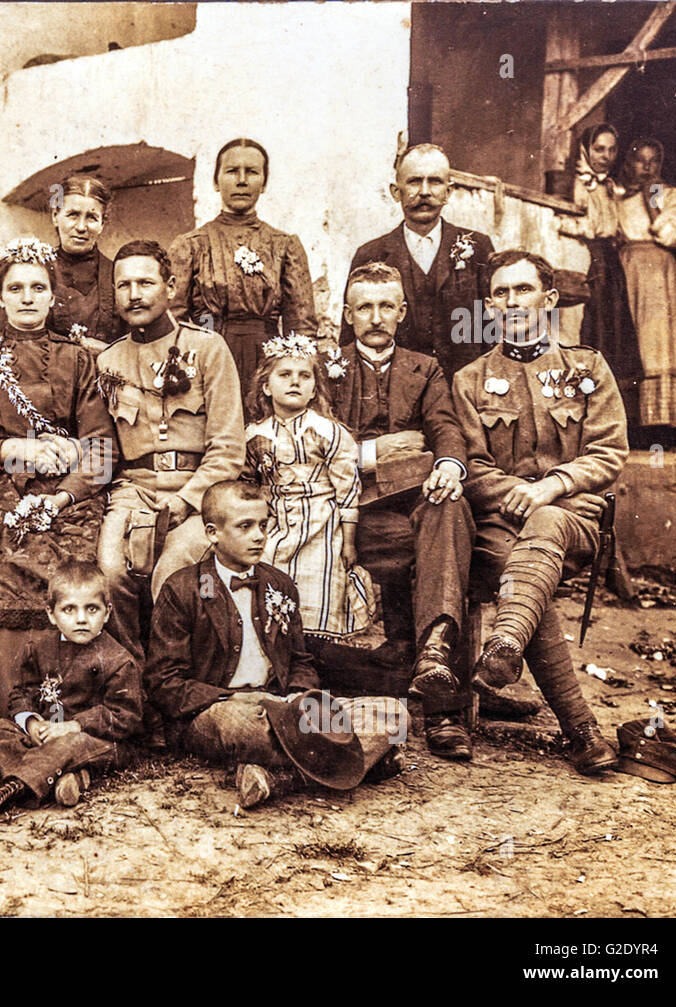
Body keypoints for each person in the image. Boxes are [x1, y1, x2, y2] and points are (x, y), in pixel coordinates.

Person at [452, 250, 627, 776]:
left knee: (546, 524)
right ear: (490, 306)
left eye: (523, 290)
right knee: (523, 575)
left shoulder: (587, 368)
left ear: (548, 299)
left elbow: (610, 452)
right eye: (501, 293)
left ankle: (505, 646)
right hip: (502, 524)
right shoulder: (471, 380)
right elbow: (473, 466)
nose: (513, 302)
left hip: (573, 519)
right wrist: (513, 492)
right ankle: (582, 731)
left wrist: (552, 486)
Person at [0, 237, 120, 722]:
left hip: (67, 494)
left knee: (71, 566)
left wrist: (64, 497)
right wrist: (7, 449)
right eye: (15, 288)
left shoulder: (78, 360)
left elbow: (102, 450)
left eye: (37, 287)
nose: (26, 297)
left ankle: (75, 705)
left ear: (51, 296)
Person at [146, 481, 408, 808]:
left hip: (281, 706)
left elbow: (300, 660)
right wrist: (233, 698)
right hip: (219, 711)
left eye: (263, 525)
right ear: (213, 533)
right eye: (245, 526)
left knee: (394, 715)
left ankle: (278, 778)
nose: (259, 536)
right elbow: (164, 683)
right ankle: (351, 761)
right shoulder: (182, 589)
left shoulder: (280, 585)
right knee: (240, 727)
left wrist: (299, 692)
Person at [323, 261, 494, 759]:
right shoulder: (322, 368)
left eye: (385, 307)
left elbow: (445, 427)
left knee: (448, 508)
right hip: (345, 514)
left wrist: (447, 465)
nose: (375, 317)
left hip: (410, 509)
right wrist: (376, 453)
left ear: (401, 312)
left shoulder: (426, 368)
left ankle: (438, 674)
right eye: (364, 308)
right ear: (349, 315)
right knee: (442, 545)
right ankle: (433, 679)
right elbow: (311, 441)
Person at [96, 239, 245, 658]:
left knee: (172, 569)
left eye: (146, 282)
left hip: (201, 492)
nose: (135, 294)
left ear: (171, 287)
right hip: (134, 491)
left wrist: (187, 499)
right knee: (109, 571)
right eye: (123, 285)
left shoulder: (209, 349)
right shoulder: (108, 362)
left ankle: (172, 678)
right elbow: (106, 447)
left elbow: (229, 449)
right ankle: (132, 674)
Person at [0, 561, 143, 826]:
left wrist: (74, 726)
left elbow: (125, 716)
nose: (81, 619)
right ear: (51, 613)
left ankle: (2, 795)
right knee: (0, 730)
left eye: (91, 609)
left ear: (107, 613)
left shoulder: (118, 659)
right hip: (49, 736)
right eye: (69, 609)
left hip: (97, 742)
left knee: (73, 744)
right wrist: (32, 722)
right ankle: (69, 778)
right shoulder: (39, 648)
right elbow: (22, 692)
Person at [242, 334, 375, 641]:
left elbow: (347, 489)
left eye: (304, 376)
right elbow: (248, 482)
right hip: (275, 519)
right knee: (269, 567)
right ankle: (273, 643)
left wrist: (348, 541)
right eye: (284, 375)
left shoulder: (328, 431)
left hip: (321, 521)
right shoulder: (254, 434)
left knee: (322, 572)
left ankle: (316, 641)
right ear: (266, 386)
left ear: (315, 388)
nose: (295, 383)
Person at [169, 138, 316, 410]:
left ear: (264, 182)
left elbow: (301, 326)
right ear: (215, 182)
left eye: (251, 172)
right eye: (231, 171)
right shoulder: (190, 245)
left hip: (268, 365)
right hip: (208, 358)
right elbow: (173, 319)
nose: (241, 180)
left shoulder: (284, 245)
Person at [344, 143, 495, 383]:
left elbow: (493, 326)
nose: (424, 192)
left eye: (435, 181)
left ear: (448, 191)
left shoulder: (478, 248)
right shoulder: (370, 254)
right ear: (396, 191)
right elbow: (350, 339)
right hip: (396, 391)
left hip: (465, 388)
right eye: (414, 181)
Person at [614, 137, 676, 439]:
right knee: (629, 339)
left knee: (658, 340)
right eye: (641, 159)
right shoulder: (616, 195)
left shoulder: (670, 196)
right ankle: (632, 422)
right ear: (630, 162)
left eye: (654, 161)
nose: (647, 167)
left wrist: (652, 200)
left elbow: (667, 234)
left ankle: (660, 428)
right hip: (625, 268)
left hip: (656, 269)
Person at [557, 125, 639, 426]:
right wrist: (585, 230)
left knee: (616, 331)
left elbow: (612, 225)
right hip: (588, 259)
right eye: (599, 149)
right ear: (586, 149)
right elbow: (568, 221)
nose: (605, 156)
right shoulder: (577, 182)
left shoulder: (609, 186)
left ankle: (617, 418)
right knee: (591, 330)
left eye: (611, 150)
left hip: (610, 262)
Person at [48, 174, 124, 354]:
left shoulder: (118, 274)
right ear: (55, 216)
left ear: (103, 224)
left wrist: (107, 351)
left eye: (91, 217)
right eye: (73, 215)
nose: (81, 227)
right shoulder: (35, 272)